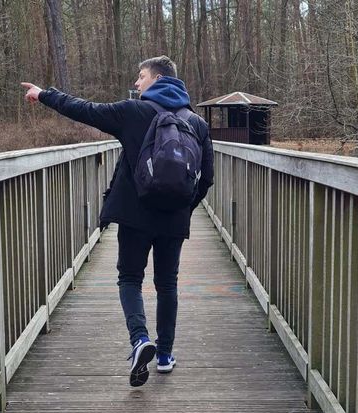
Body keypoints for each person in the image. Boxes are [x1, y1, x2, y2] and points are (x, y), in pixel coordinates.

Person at [21, 56, 214, 387]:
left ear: (156, 79)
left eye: (141, 77)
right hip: (174, 219)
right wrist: (184, 206)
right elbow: (207, 177)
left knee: (129, 278)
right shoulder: (196, 123)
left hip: (134, 214)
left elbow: (86, 110)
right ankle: (165, 356)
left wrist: (44, 95)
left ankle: (140, 340)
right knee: (167, 283)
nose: (137, 83)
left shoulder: (134, 112)